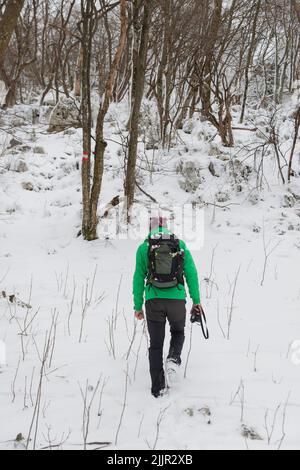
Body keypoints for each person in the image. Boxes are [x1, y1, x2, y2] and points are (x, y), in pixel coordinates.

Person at [133, 216, 201, 398]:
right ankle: (172, 359)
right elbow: (191, 274)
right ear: (167, 228)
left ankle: (158, 388)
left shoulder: (144, 248)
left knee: (155, 345)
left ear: (150, 229)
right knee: (178, 332)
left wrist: (138, 306)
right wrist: (196, 300)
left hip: (153, 301)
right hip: (177, 299)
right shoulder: (179, 245)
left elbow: (138, 279)